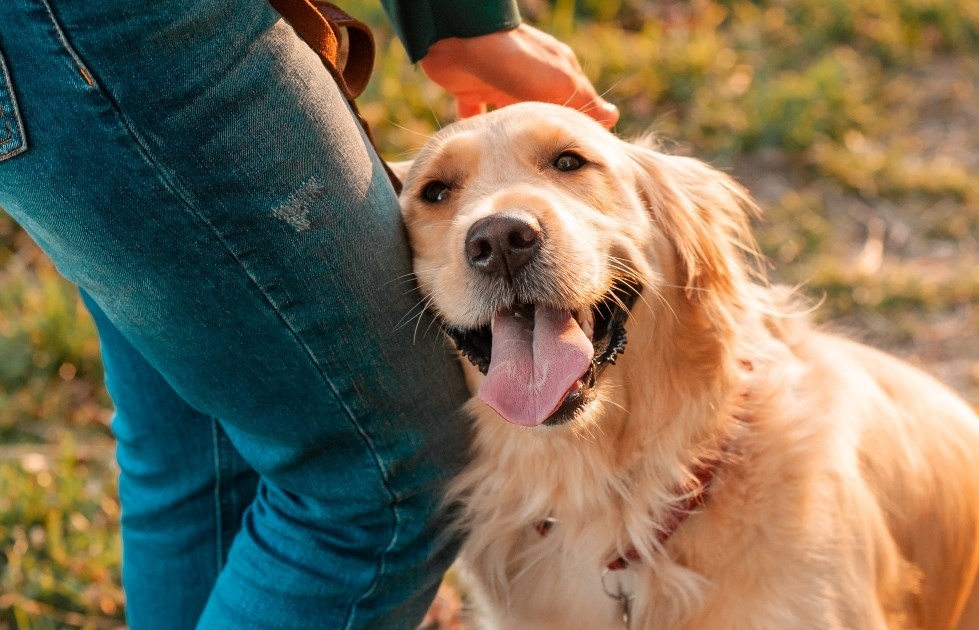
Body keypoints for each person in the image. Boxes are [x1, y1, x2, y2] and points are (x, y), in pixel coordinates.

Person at [0, 1, 617, 628]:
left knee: (203, 447)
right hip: (103, 33)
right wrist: (459, 16)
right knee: (378, 479)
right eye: (436, 192)